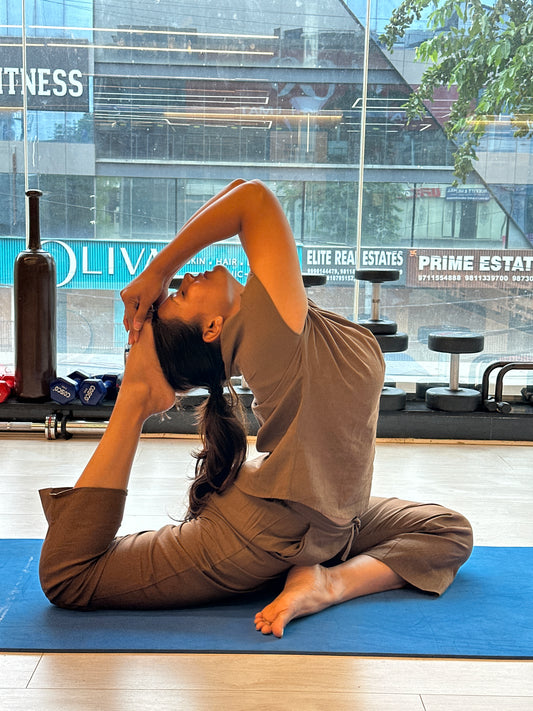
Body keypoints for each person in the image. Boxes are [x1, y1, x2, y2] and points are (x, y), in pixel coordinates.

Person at [38, 179, 473, 638]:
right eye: (182, 295)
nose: (187, 279)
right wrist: (158, 273)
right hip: (263, 532)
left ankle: (327, 581)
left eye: (177, 287)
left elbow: (240, 189)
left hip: (329, 519)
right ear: (213, 329)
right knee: (72, 577)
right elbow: (253, 201)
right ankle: (135, 400)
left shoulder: (275, 317)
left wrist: (161, 279)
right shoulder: (268, 330)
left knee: (448, 530)